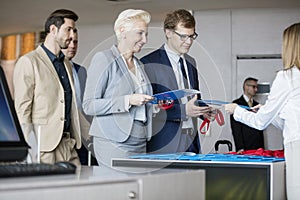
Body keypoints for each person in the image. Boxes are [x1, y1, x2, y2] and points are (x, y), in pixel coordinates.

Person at [224, 22, 300, 200]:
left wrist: (236, 111)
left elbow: (260, 123)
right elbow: (290, 120)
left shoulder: (287, 76)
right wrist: (265, 110)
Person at [82, 9, 154, 167]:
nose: (144, 40)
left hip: (140, 140)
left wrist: (156, 105)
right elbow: (89, 105)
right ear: (123, 31)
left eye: (146, 34)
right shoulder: (104, 59)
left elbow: (142, 105)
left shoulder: (139, 64)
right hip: (113, 141)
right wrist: (128, 100)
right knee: (117, 189)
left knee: (137, 188)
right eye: (140, 33)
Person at [13, 9, 81, 166]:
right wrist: (28, 150)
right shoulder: (29, 62)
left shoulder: (67, 64)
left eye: (73, 30)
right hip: (43, 148)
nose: (72, 35)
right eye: (68, 29)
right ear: (53, 29)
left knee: (77, 189)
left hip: (68, 145)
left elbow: (71, 106)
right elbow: (22, 111)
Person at [141, 9, 212, 154]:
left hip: (191, 141)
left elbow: (193, 99)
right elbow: (148, 109)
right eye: (183, 36)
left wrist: (203, 110)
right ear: (168, 32)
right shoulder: (148, 63)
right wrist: (183, 111)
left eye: (192, 36)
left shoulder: (191, 62)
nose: (189, 42)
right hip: (164, 143)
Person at [61, 30, 98, 166]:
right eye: (69, 42)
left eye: (75, 42)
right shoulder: (55, 69)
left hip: (83, 134)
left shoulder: (81, 70)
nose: (72, 46)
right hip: (63, 133)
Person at [230, 77, 264, 152]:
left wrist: (262, 147)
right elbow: (236, 129)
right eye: (254, 87)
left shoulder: (257, 105)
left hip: (258, 147)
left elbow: (260, 126)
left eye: (256, 87)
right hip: (244, 146)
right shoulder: (236, 104)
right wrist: (240, 147)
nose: (256, 90)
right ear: (246, 86)